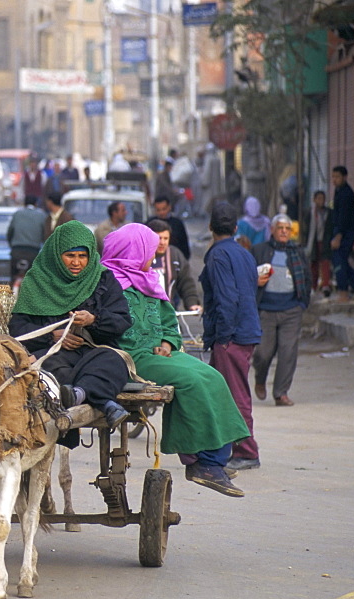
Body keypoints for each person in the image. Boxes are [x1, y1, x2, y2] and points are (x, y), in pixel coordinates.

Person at [100, 224, 249, 497]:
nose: (153, 258)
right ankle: (200, 463)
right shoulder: (105, 284)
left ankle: (213, 460)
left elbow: (169, 322)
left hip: (158, 355)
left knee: (212, 375)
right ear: (133, 251)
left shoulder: (147, 279)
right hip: (128, 360)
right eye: (148, 251)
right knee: (191, 381)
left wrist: (168, 343)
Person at [9, 220, 131, 445]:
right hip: (52, 354)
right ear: (56, 254)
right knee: (48, 370)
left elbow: (122, 320)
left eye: (82, 256)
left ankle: (78, 394)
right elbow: (17, 329)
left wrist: (94, 320)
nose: (77, 263)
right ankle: (104, 403)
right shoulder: (36, 282)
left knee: (116, 361)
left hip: (93, 353)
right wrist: (52, 336)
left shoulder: (102, 279)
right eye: (70, 256)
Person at [199, 202, 263, 472]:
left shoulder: (218, 256)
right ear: (236, 228)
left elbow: (227, 299)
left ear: (211, 228)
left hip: (231, 335)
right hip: (244, 331)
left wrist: (223, 338)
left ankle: (247, 451)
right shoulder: (244, 254)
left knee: (235, 394)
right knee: (220, 393)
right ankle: (219, 449)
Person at [251, 214, 311, 407]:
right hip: (266, 310)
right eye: (280, 228)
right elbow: (249, 276)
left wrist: (302, 304)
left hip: (291, 309)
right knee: (263, 352)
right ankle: (260, 379)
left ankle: (281, 393)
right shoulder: (260, 250)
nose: (284, 231)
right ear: (273, 230)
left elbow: (307, 277)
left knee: (288, 352)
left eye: (287, 228)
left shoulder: (297, 251)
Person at [330, 165, 354, 302]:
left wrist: (338, 236)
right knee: (341, 261)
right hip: (341, 231)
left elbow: (344, 218)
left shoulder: (347, 193)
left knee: (339, 261)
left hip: (346, 232)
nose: (334, 180)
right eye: (333, 177)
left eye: (337, 177)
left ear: (345, 177)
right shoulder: (338, 191)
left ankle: (344, 292)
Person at [144, 219, 200, 310]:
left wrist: (192, 303)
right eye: (159, 238)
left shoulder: (175, 255)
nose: (162, 242)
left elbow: (186, 281)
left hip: (168, 313)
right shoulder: (140, 256)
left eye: (166, 238)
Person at [7, 195, 49, 282]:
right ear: (36, 204)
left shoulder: (17, 214)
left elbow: (10, 232)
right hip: (33, 252)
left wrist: (12, 245)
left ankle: (12, 290)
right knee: (33, 279)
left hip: (16, 251)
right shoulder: (42, 215)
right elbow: (45, 234)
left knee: (14, 276)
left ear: (24, 203)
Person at [302, 190, 333, 295]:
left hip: (324, 241)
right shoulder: (309, 213)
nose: (321, 201)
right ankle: (313, 286)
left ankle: (325, 286)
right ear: (314, 200)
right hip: (313, 242)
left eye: (323, 199)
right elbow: (305, 229)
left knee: (325, 263)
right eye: (319, 198)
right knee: (313, 265)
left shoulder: (328, 212)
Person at [152, 195, 190, 260]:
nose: (161, 212)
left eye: (164, 209)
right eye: (158, 210)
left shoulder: (177, 224)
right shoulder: (150, 224)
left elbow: (184, 246)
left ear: (169, 207)